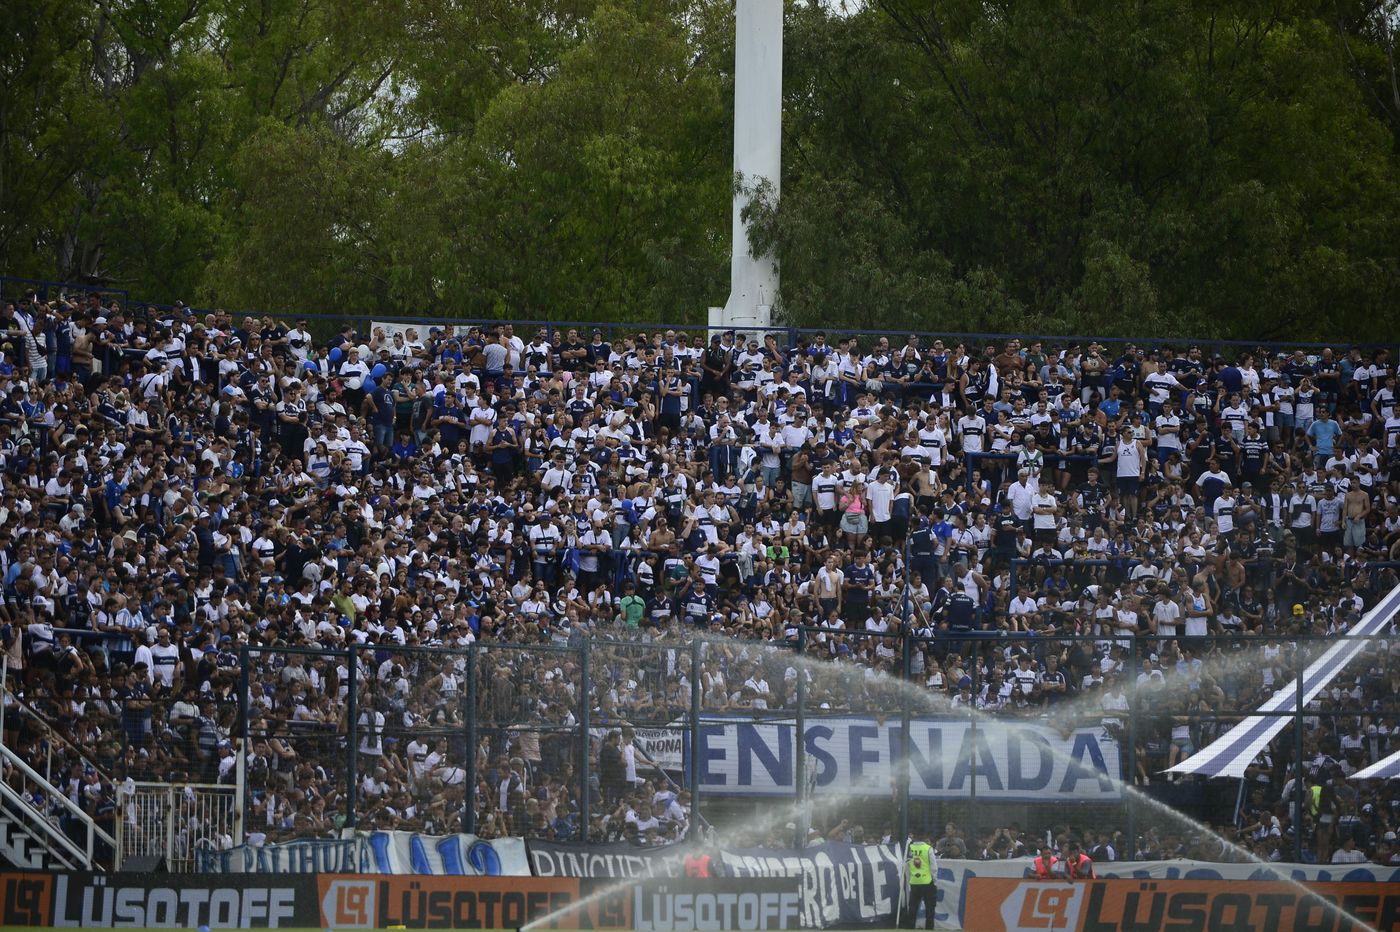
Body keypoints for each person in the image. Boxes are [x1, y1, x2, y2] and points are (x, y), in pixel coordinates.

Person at [902, 828, 938, 929]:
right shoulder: (928, 848)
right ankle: (929, 928)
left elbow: (907, 865)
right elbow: (934, 867)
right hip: (927, 882)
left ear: (916, 836)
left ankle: (910, 928)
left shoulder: (910, 848)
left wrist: (910, 879)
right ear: (925, 836)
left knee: (913, 908)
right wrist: (934, 882)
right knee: (930, 909)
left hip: (915, 882)